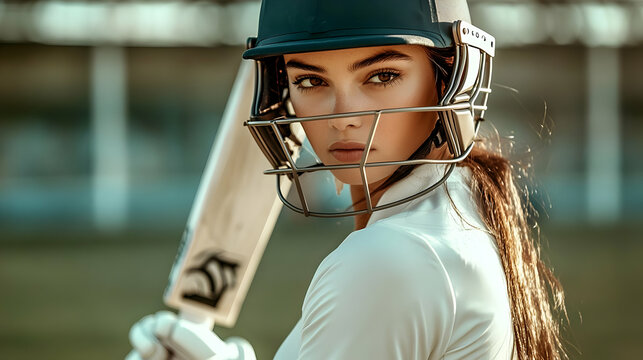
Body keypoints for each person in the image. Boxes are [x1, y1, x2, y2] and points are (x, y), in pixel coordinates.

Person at [127, 0, 568, 359]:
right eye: (310, 80)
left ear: (450, 76)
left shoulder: (387, 258)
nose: (343, 117)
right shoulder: (463, 205)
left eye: (382, 75)